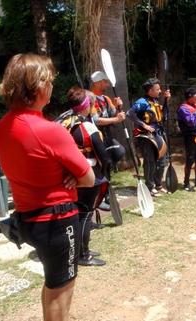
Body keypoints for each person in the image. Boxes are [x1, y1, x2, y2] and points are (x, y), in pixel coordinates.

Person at [0, 54, 95, 321]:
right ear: (38, 87)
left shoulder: (1, 127)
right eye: (49, 81)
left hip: (28, 219)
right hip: (58, 222)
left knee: (53, 283)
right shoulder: (50, 130)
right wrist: (70, 174)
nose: (52, 87)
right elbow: (89, 179)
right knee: (62, 288)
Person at [66, 87, 111, 267]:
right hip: (88, 173)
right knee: (85, 214)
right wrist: (107, 167)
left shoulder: (65, 121)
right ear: (86, 106)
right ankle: (83, 254)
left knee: (78, 213)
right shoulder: (87, 125)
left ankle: (79, 250)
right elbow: (102, 154)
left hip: (71, 174)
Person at [127, 78, 171, 197]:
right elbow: (129, 113)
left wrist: (166, 100)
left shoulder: (155, 101)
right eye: (157, 89)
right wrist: (144, 125)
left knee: (162, 161)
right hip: (146, 136)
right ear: (150, 90)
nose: (160, 91)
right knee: (150, 161)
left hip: (158, 133)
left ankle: (158, 184)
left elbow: (164, 116)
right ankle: (149, 186)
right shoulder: (142, 102)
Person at [90, 71, 126, 210]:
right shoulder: (89, 98)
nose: (107, 84)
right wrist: (116, 119)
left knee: (115, 156)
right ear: (98, 82)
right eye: (105, 81)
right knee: (101, 165)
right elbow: (95, 120)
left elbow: (113, 115)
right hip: (96, 137)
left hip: (107, 136)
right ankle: (99, 197)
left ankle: (106, 195)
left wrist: (118, 107)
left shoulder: (105, 98)